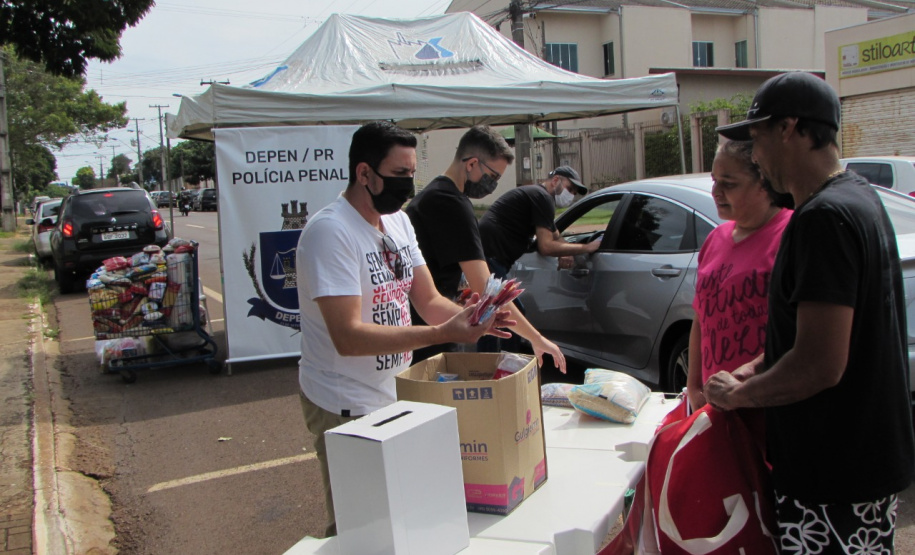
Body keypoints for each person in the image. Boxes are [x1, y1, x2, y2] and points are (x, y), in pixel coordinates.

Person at [707, 71, 915, 553]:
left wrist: (741, 396)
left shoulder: (823, 218)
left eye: (757, 139)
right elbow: (807, 335)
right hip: (856, 464)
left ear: (790, 129)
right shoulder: (858, 197)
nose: (756, 156)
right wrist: (755, 368)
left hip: (835, 473)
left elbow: (820, 363)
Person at [295, 121, 513, 537]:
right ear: (364, 173)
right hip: (343, 400)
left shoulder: (396, 222)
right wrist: (441, 333)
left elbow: (428, 301)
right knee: (360, 527)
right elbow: (349, 337)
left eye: (412, 173)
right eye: (398, 175)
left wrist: (469, 319)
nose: (408, 186)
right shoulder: (330, 233)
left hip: (392, 391)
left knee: (403, 514)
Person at [405, 125, 566, 372]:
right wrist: (537, 338)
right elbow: (488, 288)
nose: (493, 185)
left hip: (425, 320)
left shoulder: (435, 195)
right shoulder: (451, 203)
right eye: (493, 177)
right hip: (427, 326)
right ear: (471, 164)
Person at [686, 140, 792, 412]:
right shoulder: (714, 239)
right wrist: (695, 388)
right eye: (714, 181)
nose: (716, 192)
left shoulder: (791, 234)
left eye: (729, 184)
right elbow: (701, 318)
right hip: (715, 407)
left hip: (763, 404)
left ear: (763, 183)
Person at [476, 165, 600, 352]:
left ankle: (495, 365)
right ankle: (501, 367)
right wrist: (587, 247)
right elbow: (547, 246)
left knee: (497, 314)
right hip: (491, 259)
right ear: (556, 180)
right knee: (507, 315)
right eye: (570, 188)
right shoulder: (543, 198)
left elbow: (555, 235)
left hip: (489, 257)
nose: (571, 195)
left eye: (574, 192)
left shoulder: (537, 197)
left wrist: (566, 250)